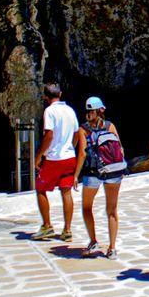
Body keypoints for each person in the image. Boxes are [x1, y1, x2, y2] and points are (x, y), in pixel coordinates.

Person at [74, 96, 123, 259]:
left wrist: (75, 175)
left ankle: (93, 240)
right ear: (101, 110)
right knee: (112, 210)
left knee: (87, 207)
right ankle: (112, 248)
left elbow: (82, 153)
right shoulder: (110, 126)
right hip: (113, 171)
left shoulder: (83, 129)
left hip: (92, 172)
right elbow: (120, 149)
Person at [32, 83, 79, 241]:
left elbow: (49, 135)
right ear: (60, 94)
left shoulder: (49, 111)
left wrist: (39, 156)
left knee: (40, 188)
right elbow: (77, 133)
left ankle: (47, 226)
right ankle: (67, 230)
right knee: (66, 191)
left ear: (45, 96)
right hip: (69, 157)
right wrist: (71, 147)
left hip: (54, 158)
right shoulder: (70, 110)